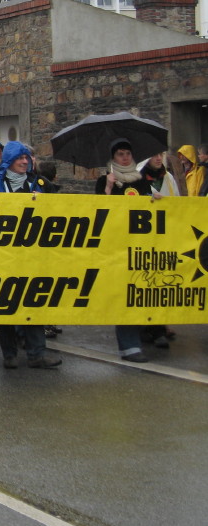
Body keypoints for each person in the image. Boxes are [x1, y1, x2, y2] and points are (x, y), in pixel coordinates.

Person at [0, 141, 61, 369]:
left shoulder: (40, 183)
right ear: (9, 161)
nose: (24, 161)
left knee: (34, 303)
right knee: (7, 305)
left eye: (26, 158)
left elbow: (63, 210)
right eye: (19, 158)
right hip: (7, 255)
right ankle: (9, 354)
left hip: (33, 255)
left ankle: (37, 353)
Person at [95, 138, 158, 363]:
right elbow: (99, 211)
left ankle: (149, 332)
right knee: (124, 294)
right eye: (120, 154)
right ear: (113, 158)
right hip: (116, 246)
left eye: (128, 154)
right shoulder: (104, 180)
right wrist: (109, 188)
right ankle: (129, 345)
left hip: (140, 245)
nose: (125, 157)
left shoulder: (141, 182)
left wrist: (156, 201)